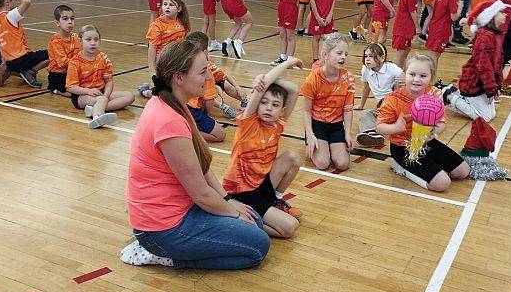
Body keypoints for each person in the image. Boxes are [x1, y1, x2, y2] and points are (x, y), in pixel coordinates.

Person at [121, 39, 269, 269]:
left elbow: (201, 165)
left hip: (180, 210)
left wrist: (228, 200)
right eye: (202, 72)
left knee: (255, 223)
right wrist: (234, 213)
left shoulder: (176, 103)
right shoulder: (168, 120)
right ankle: (161, 255)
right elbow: (200, 194)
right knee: (257, 247)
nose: (209, 78)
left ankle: (177, 248)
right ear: (179, 78)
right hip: (161, 229)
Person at [223, 57, 303, 238]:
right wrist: (286, 64)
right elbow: (263, 87)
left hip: (262, 182)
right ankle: (240, 217)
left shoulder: (278, 124)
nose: (268, 108)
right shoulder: (248, 122)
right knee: (290, 228)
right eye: (264, 102)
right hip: (241, 192)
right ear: (256, 104)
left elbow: (294, 90)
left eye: (275, 105)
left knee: (292, 157)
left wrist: (269, 79)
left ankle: (275, 201)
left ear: (282, 110)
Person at [376, 53, 470, 191]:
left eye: (423, 76)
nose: (417, 79)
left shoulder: (434, 93)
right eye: (412, 74)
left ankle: (427, 166)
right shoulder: (392, 99)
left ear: (431, 77)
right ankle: (400, 166)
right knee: (442, 183)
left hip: (426, 142)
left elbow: (441, 123)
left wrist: (434, 132)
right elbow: (379, 128)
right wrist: (395, 128)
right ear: (404, 75)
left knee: (463, 172)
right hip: (402, 147)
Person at [443, 0, 511, 122]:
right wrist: (491, 90)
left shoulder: (495, 35)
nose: (505, 14)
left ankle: (460, 97)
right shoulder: (486, 37)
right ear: (491, 16)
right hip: (472, 83)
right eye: (501, 12)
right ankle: (450, 95)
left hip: (482, 83)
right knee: (485, 117)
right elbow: (484, 66)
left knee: (492, 114)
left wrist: (496, 87)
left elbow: (497, 64)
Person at [302, 33, 355, 171]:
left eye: (346, 54)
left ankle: (331, 145)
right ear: (325, 55)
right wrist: (311, 135)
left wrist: (347, 133)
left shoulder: (348, 78)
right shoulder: (312, 80)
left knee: (342, 164)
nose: (343, 57)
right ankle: (314, 142)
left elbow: (348, 109)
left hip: (336, 125)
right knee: (323, 163)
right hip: (317, 124)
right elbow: (306, 111)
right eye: (339, 53)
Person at [66, 25, 134, 129]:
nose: (93, 43)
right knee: (101, 100)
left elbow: (109, 81)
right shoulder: (74, 62)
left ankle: (94, 109)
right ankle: (97, 117)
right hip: (82, 95)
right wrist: (88, 91)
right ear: (80, 41)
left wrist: (106, 96)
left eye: (96, 39)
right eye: (88, 39)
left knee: (129, 96)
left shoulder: (103, 58)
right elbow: (70, 88)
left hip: (100, 92)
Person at [0, 0, 49, 88]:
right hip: (21, 60)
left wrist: (4, 62)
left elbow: (1, 44)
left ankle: (15, 70)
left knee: (36, 55)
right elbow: (27, 2)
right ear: (7, 2)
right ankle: (30, 72)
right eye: (15, 0)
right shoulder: (10, 16)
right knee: (53, 53)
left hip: (10, 61)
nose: (17, 2)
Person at [139, 0, 189, 98]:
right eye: (165, 4)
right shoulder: (157, 25)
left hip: (176, 64)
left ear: (179, 8)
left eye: (171, 5)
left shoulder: (181, 23)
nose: (167, 7)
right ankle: (146, 92)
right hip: (162, 64)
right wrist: (153, 74)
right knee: (162, 96)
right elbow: (152, 50)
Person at [355, 42, 403, 147]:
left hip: (395, 104)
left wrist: (403, 79)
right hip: (383, 108)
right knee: (365, 114)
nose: (367, 59)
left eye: (371, 56)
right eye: (366, 56)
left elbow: (405, 77)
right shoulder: (365, 70)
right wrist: (361, 105)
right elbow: (366, 87)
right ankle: (371, 134)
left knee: (397, 87)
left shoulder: (391, 67)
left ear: (382, 58)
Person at [425, 0, 464, 71]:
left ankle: (430, 81)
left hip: (435, 27)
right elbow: (454, 17)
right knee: (434, 57)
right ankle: (430, 81)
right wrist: (460, 6)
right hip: (441, 30)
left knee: (434, 56)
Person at [393, 0, 429, 68]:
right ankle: (394, 75)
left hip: (406, 27)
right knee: (400, 52)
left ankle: (402, 71)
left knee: (407, 49)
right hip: (403, 27)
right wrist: (418, 27)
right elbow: (412, 12)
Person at [47, 5, 80, 97]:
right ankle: (55, 89)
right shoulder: (55, 41)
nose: (70, 22)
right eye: (65, 19)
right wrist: (81, 65)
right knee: (74, 94)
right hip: (58, 75)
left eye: (72, 18)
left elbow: (79, 55)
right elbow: (63, 62)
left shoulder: (76, 37)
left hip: (72, 72)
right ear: (57, 22)